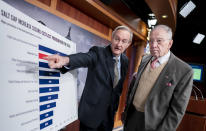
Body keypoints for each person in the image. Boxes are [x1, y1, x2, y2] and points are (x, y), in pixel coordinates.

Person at [46, 25, 133, 131]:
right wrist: (66, 60)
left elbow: (117, 88)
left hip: (108, 117)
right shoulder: (98, 52)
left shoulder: (125, 61)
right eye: (117, 39)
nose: (119, 44)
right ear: (112, 37)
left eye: (124, 41)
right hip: (91, 115)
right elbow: (85, 58)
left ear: (128, 44)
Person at [122, 24, 193, 131]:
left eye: (159, 41)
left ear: (170, 43)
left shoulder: (184, 71)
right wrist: (126, 112)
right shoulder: (145, 59)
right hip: (132, 117)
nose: (153, 45)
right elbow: (134, 88)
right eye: (151, 41)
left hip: (154, 125)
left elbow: (177, 110)